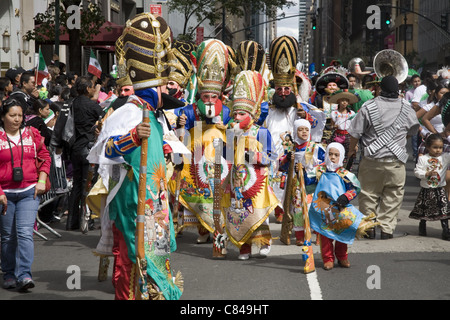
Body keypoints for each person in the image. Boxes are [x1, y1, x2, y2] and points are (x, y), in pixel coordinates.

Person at [87, 12, 182, 300]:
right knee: (130, 259)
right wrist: (132, 137)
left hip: (154, 200)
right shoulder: (130, 111)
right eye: (163, 86)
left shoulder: (154, 115)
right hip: (133, 201)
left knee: (156, 260)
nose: (168, 91)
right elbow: (105, 150)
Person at [171, 39, 233, 244]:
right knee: (197, 194)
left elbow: (232, 139)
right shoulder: (189, 110)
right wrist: (181, 126)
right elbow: (180, 135)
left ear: (219, 96)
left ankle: (216, 232)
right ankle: (202, 229)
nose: (209, 100)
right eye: (205, 96)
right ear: (200, 95)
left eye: (213, 96)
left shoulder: (225, 111)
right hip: (194, 158)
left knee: (216, 195)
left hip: (217, 159)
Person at [348, 75, 420, 239]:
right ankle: (387, 229)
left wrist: (352, 150)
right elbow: (413, 131)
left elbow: (355, 132)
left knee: (368, 194)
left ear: (380, 89)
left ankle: (368, 227)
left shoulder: (368, 106)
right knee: (393, 195)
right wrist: (397, 140)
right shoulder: (407, 107)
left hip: (371, 160)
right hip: (396, 162)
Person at [222, 70, 278, 260]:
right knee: (239, 212)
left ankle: (263, 242)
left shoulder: (261, 132)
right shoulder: (230, 132)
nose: (237, 117)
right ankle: (243, 247)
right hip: (237, 181)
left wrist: (252, 155)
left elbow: (271, 156)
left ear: (252, 114)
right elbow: (225, 156)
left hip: (257, 182)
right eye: (235, 113)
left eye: (242, 113)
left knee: (258, 212)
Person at [0, 98, 51, 291]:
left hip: (29, 191)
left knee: (24, 233)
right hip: (5, 194)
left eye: (20, 116)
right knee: (7, 236)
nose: (16, 119)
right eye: (12, 115)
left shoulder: (32, 134)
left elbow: (45, 157)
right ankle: (9, 273)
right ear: (3, 116)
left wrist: (41, 181)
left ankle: (24, 275)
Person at [308, 143, 368, 270]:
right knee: (325, 235)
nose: (332, 157)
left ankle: (342, 257)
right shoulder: (319, 170)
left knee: (343, 232)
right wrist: (300, 172)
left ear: (340, 157)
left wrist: (346, 196)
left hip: (340, 208)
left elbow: (356, 187)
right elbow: (307, 183)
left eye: (336, 155)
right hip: (323, 208)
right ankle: (328, 258)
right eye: (330, 154)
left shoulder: (343, 173)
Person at [278, 119, 325, 245]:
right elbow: (281, 166)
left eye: (306, 129)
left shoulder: (315, 147)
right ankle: (300, 235)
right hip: (296, 183)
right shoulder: (291, 148)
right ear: (295, 131)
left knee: (314, 208)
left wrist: (309, 171)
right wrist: (287, 159)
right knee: (297, 208)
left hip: (312, 183)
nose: (304, 132)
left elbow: (323, 165)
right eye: (300, 129)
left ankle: (318, 235)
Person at [66, 76, 104, 231]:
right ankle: (87, 220)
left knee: (76, 185)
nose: (94, 88)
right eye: (93, 86)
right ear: (88, 88)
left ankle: (72, 222)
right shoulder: (92, 106)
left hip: (75, 148)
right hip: (88, 148)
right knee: (88, 185)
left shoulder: (72, 103)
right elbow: (103, 119)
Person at [409, 134, 450, 240]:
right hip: (426, 189)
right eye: (435, 147)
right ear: (427, 147)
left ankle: (446, 230)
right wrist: (426, 174)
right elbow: (417, 171)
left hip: (440, 189)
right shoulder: (423, 159)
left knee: (443, 209)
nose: (438, 150)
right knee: (424, 209)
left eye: (440, 147)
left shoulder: (445, 157)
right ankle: (422, 226)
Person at [327, 90, 358, 166]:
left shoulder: (351, 114)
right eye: (342, 101)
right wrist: (334, 126)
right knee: (336, 152)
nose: (344, 102)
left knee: (348, 153)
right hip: (337, 135)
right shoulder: (334, 113)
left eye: (346, 101)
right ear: (338, 101)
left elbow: (354, 127)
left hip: (348, 135)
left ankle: (345, 168)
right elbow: (331, 126)